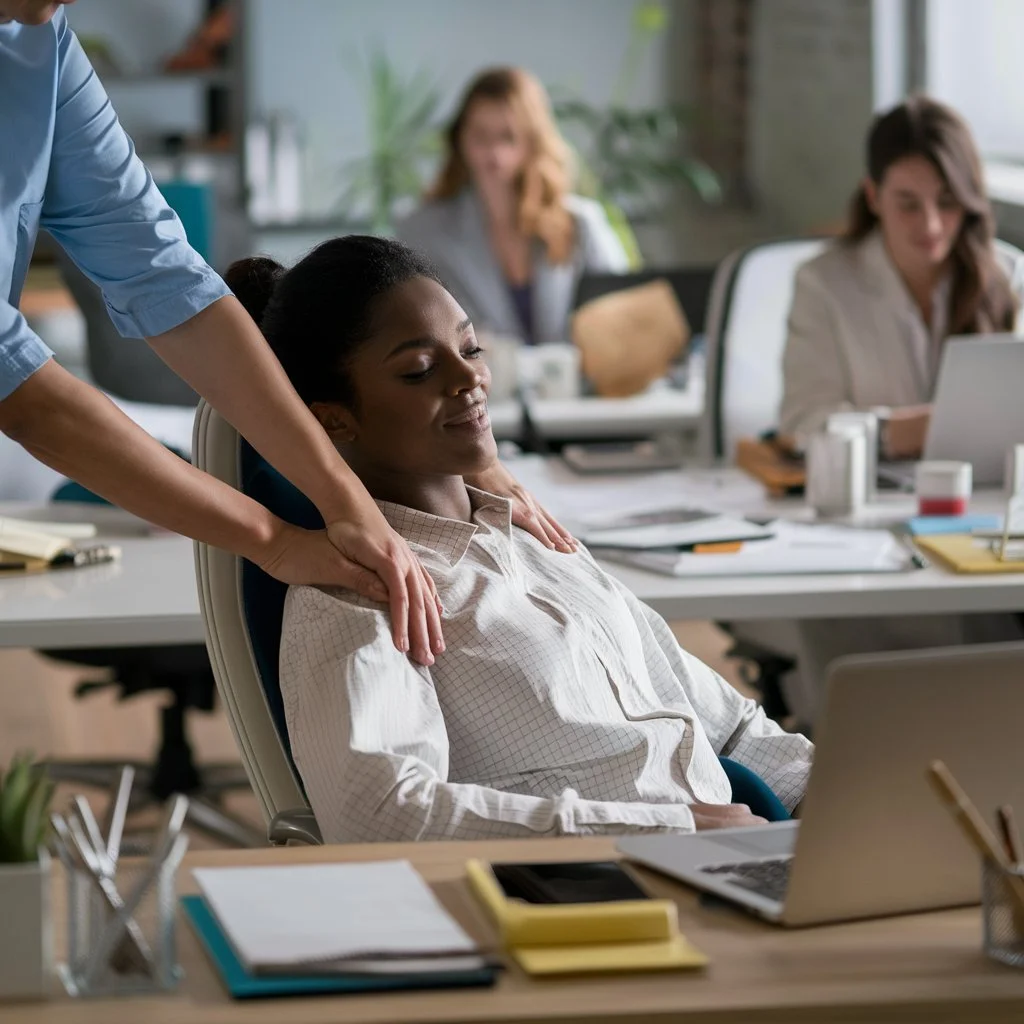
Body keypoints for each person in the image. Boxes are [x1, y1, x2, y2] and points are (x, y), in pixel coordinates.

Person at [0, 1, 573, 668]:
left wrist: (342, 498)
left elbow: (166, 278)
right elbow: (21, 389)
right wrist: (273, 537)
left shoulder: (40, 41)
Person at [224, 235, 813, 843]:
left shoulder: (538, 541)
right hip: (591, 896)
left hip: (728, 860)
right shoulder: (359, 592)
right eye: (419, 370)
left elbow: (729, 729)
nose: (469, 378)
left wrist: (837, 789)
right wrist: (664, 827)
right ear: (333, 417)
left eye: (470, 347)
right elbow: (380, 816)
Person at [780, 96, 1024, 457]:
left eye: (947, 201)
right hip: (870, 498)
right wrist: (929, 427)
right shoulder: (822, 284)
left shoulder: (1010, 275)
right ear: (874, 196)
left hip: (986, 497)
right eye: (909, 204)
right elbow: (803, 425)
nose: (931, 224)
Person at [396, 67, 628, 347]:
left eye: (508, 136)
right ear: (460, 139)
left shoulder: (581, 223)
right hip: (475, 388)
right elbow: (406, 328)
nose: (494, 153)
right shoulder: (422, 230)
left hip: (574, 387)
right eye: (480, 135)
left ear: (532, 141)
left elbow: (623, 316)